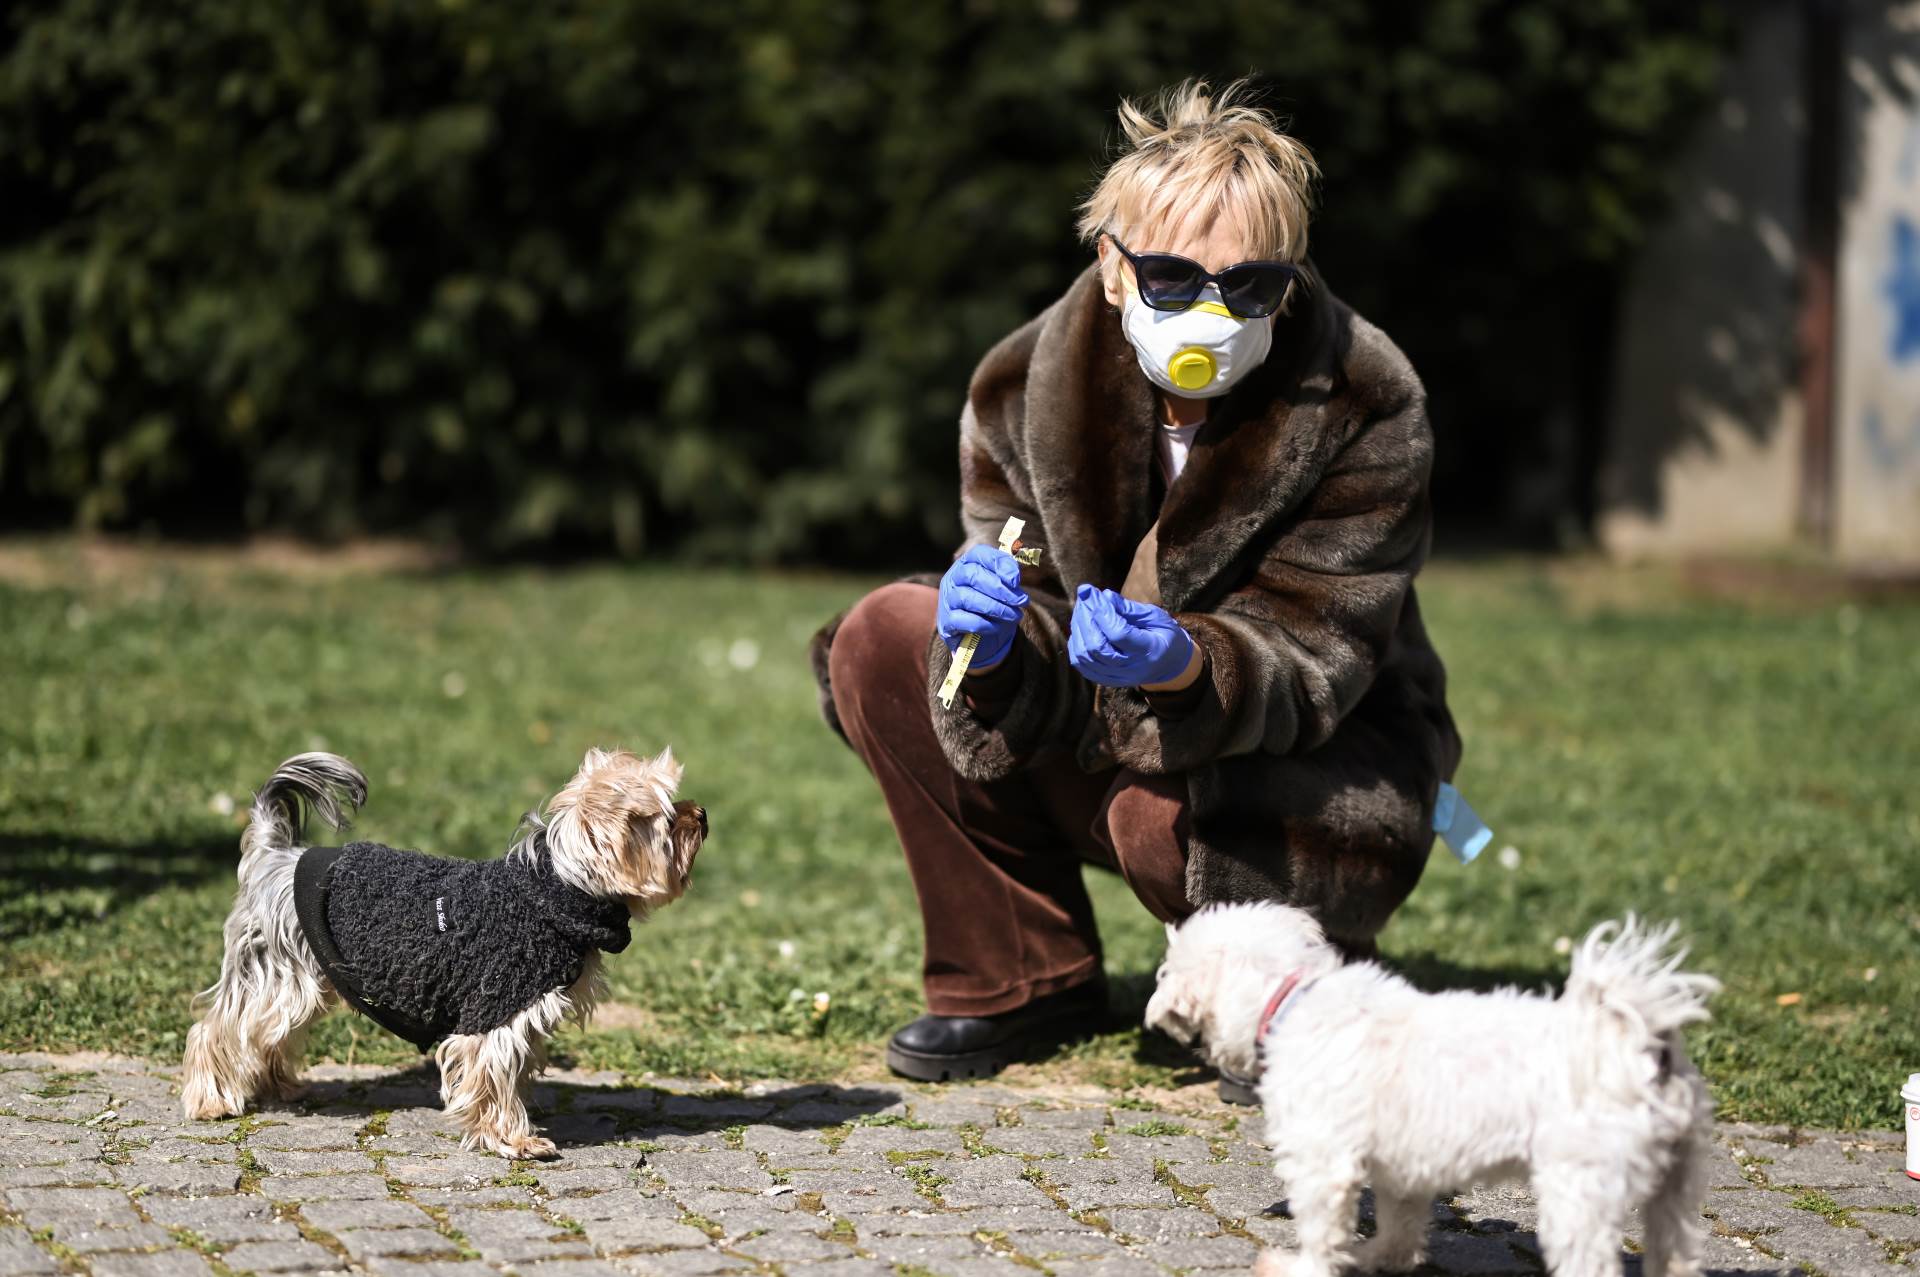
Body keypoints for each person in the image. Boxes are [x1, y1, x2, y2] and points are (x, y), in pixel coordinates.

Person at [807, 80, 1462, 1087]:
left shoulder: (1367, 399)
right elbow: (1024, 591)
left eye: (1249, 287)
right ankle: (1018, 971)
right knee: (886, 636)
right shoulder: (1017, 386)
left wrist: (1188, 664)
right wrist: (991, 646)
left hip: (1326, 751)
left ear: (1288, 285)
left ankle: (1295, 988)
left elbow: (1319, 662)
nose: (1211, 313)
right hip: (1105, 719)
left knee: (1158, 815)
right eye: (1172, 277)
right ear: (1114, 268)